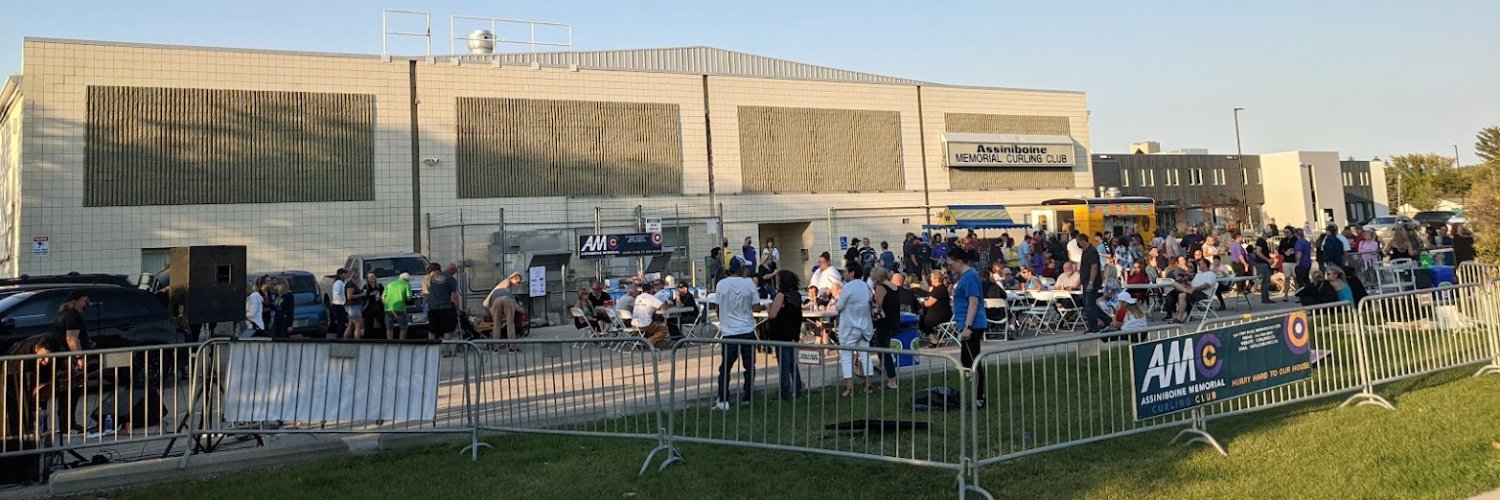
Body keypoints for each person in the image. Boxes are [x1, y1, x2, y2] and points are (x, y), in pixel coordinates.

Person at [713, 259, 761, 409]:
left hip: (729, 332)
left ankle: (723, 399)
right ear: (741, 269)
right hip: (747, 330)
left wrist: (725, 319)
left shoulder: (721, 284)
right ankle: (747, 396)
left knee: (725, 367)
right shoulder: (749, 284)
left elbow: (718, 308)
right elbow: (757, 307)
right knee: (749, 366)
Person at [948, 248, 988, 409]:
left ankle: (979, 397)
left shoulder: (970, 276)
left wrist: (968, 326)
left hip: (972, 325)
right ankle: (972, 392)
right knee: (966, 360)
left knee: (973, 360)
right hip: (965, 324)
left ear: (958, 261)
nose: (950, 267)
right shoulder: (964, 277)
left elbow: (973, 302)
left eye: (950, 264)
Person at [764, 270, 805, 401]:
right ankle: (798, 388)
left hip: (781, 333)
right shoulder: (796, 295)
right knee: (792, 363)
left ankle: (785, 392)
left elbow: (772, 314)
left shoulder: (781, 295)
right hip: (792, 332)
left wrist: (768, 307)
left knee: (784, 364)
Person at [835, 264, 875, 397]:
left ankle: (849, 388)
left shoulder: (848, 287)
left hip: (850, 327)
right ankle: (868, 386)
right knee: (865, 356)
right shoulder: (866, 286)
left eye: (846, 271)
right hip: (865, 326)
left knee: (846, 357)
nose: (844, 274)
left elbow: (839, 306)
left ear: (852, 273)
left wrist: (837, 301)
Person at [869, 267, 902, 390]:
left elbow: (877, 306)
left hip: (884, 322)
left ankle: (892, 379)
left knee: (882, 350)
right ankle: (881, 367)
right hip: (894, 320)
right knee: (885, 347)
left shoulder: (881, 287)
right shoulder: (894, 286)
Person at [1077, 233, 1109, 333]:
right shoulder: (1085, 252)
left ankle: (1093, 327)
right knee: (1088, 304)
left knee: (1089, 305)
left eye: (1079, 242)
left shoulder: (1091, 251)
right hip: (1085, 281)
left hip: (1091, 281)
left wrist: (1091, 282)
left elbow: (1094, 267)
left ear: (1083, 241)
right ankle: (1106, 319)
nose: (1078, 244)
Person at [484, 273, 523, 350]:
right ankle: (512, 346)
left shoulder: (496, 289)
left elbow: (487, 304)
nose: (517, 284)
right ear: (513, 279)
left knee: (496, 324)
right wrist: (521, 310)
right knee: (510, 323)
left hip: (495, 300)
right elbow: (515, 306)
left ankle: (496, 346)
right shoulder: (506, 285)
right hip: (507, 299)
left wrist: (493, 314)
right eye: (518, 282)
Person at [423, 263, 461, 343]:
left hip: (432, 307)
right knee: (447, 330)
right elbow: (454, 297)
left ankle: (431, 348)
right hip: (445, 308)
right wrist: (457, 309)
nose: (454, 274)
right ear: (452, 270)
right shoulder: (451, 279)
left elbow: (428, 291)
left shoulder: (433, 278)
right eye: (454, 272)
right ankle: (446, 349)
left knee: (432, 330)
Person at [630, 282, 671, 347]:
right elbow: (663, 308)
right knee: (664, 330)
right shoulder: (651, 298)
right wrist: (668, 305)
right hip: (645, 325)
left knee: (652, 324)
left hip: (634, 324)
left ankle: (648, 341)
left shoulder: (638, 297)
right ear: (651, 289)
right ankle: (650, 340)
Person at [921, 271, 952, 348]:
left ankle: (934, 340)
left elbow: (928, 303)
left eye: (931, 277)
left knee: (922, 321)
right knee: (923, 318)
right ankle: (935, 338)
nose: (930, 279)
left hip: (941, 316)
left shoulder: (939, 290)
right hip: (942, 314)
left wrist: (922, 302)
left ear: (935, 279)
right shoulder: (940, 288)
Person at [383, 272, 414, 340]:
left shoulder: (390, 284)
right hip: (400, 308)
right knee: (403, 327)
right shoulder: (406, 284)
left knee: (389, 327)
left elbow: (383, 296)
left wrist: (386, 304)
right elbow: (409, 297)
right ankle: (401, 342)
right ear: (407, 279)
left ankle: (389, 342)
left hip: (388, 308)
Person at [1252, 232, 1276, 304]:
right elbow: (1258, 252)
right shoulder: (1261, 241)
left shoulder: (1262, 241)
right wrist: (1267, 260)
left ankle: (1265, 297)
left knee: (1265, 280)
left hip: (1262, 263)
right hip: (1262, 263)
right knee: (1265, 281)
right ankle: (1265, 298)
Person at [360, 272, 386, 339]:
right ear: (367, 279)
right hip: (369, 307)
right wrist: (371, 294)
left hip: (379, 306)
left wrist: (381, 297)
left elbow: (384, 294)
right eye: (370, 277)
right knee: (368, 324)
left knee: (382, 323)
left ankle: (383, 337)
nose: (371, 278)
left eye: (373, 276)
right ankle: (368, 338)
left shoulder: (379, 286)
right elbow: (363, 296)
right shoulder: (366, 287)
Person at [343, 273, 366, 340]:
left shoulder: (351, 284)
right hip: (354, 306)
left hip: (352, 307)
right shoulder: (351, 285)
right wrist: (362, 294)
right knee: (358, 325)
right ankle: (357, 340)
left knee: (350, 324)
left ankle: (345, 339)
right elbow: (349, 296)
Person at [330, 268, 349, 335]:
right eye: (344, 273)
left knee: (342, 322)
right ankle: (339, 336)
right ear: (340, 274)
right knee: (341, 322)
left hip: (339, 305)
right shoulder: (338, 283)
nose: (346, 275)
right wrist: (342, 302)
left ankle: (340, 335)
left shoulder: (342, 282)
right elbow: (336, 294)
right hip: (338, 305)